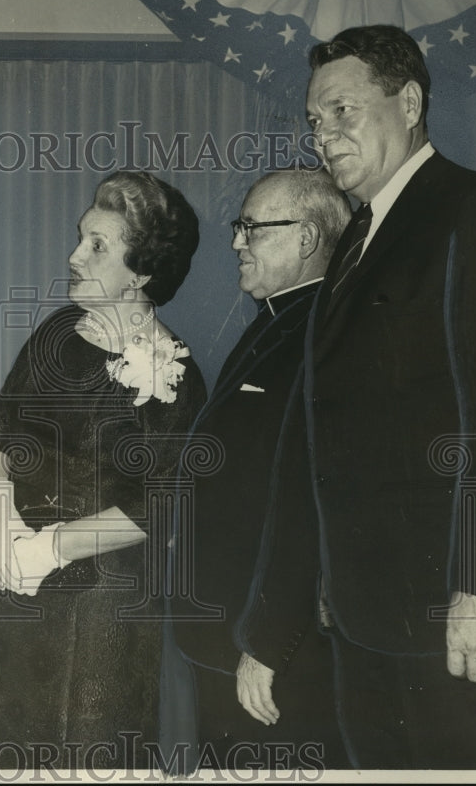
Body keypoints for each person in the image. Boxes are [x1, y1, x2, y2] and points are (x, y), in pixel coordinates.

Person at [237, 25, 476, 769]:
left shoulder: (474, 211)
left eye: (343, 111)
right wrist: (272, 629)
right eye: (315, 121)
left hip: (458, 629)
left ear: (409, 101)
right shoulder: (356, 241)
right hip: (366, 625)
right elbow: (310, 442)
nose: (324, 135)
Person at [0, 171, 207, 770]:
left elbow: (165, 500)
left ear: (142, 272)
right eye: (80, 237)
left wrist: (50, 548)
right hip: (14, 582)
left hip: (105, 601)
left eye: (97, 245)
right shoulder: (56, 333)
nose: (73, 256)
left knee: (87, 748)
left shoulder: (175, 374)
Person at [170, 168, 349, 771]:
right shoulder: (274, 322)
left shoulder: (324, 337)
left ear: (305, 238)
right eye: (238, 227)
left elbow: (306, 505)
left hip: (270, 652)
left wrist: (266, 644)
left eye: (252, 228)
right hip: (225, 634)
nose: (236, 242)